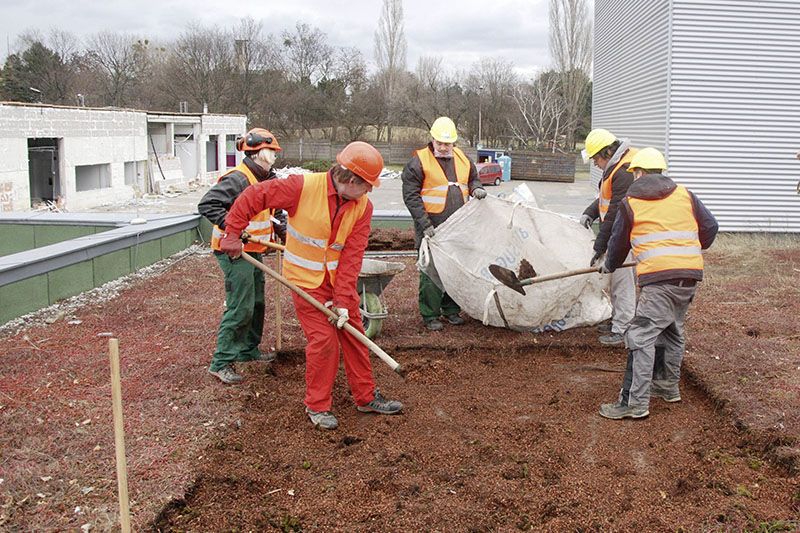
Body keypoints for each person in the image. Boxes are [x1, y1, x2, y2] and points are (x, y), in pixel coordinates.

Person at [218, 141, 403, 430]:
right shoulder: (302, 187)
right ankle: (317, 406)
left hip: (338, 283)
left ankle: (366, 397)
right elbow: (254, 195)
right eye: (367, 185)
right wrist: (232, 232)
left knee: (354, 334)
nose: (369, 192)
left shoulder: (363, 207)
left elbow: (351, 256)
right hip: (305, 282)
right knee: (324, 342)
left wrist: (343, 300)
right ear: (351, 180)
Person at [597, 147, 718, 420]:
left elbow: (618, 242)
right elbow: (710, 227)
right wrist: (688, 250)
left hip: (659, 281)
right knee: (672, 330)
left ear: (638, 173)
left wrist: (610, 264)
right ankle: (666, 386)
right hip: (689, 276)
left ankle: (634, 402)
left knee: (640, 337)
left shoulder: (632, 201)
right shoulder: (684, 194)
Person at [198, 128, 286, 385]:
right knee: (241, 305)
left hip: (256, 249)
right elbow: (207, 205)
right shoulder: (238, 179)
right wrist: (235, 228)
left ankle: (248, 350)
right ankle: (221, 362)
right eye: (272, 152)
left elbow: (276, 207)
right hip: (234, 251)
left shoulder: (268, 177)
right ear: (257, 152)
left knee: (258, 302)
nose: (275, 156)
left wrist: (280, 225)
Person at [401, 116, 486, 332]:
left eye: (448, 144)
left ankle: (451, 310)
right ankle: (430, 314)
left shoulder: (463, 159)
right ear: (433, 140)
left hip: (459, 226)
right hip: (431, 227)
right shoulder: (418, 162)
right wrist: (424, 224)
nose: (444, 147)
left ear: (454, 143)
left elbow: (472, 178)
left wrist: (476, 188)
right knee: (431, 272)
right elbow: (411, 197)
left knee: (456, 269)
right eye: (440, 143)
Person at [579, 128, 638, 346]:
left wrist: (600, 246)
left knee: (623, 283)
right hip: (618, 234)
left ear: (606, 152)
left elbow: (615, 212)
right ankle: (618, 320)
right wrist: (590, 212)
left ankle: (623, 328)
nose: (594, 163)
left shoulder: (624, 171)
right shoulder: (616, 166)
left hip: (627, 236)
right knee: (616, 281)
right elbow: (605, 199)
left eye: (595, 158)